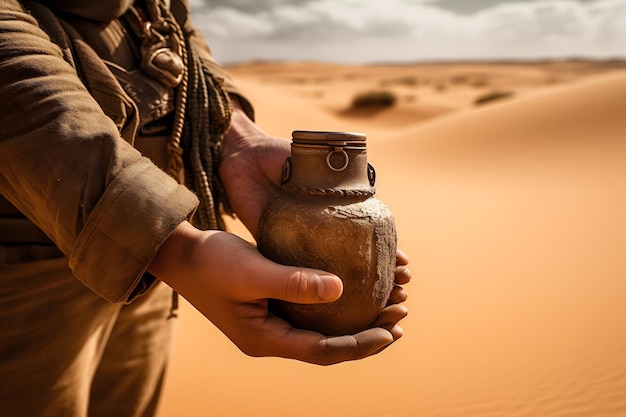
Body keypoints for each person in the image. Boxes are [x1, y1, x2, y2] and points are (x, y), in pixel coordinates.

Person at [0, 1, 411, 416]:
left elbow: (168, 18)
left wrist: (233, 134)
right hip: (31, 251)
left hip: (159, 239)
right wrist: (179, 250)